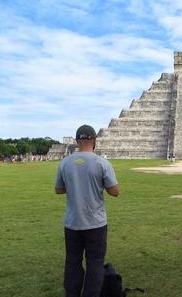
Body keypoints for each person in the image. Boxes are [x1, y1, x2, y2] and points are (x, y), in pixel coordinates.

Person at [55, 125, 120, 297]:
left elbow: (59, 190)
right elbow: (115, 192)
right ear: (94, 140)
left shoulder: (65, 163)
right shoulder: (102, 163)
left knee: (72, 262)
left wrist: (75, 184)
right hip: (95, 223)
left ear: (77, 141)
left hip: (72, 222)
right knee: (95, 263)